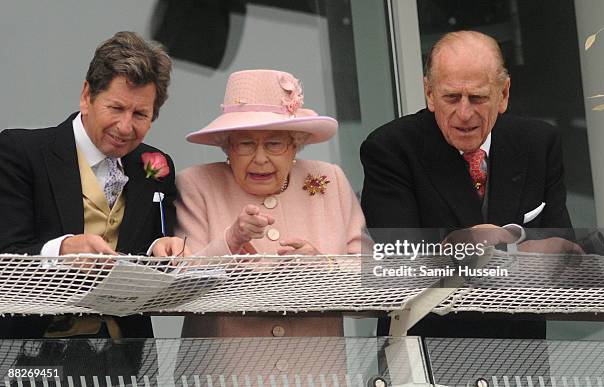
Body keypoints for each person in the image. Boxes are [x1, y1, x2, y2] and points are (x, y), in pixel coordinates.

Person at [360, 30, 575, 339]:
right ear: (430, 94)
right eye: (451, 97)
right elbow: (403, 261)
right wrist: (512, 246)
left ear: (503, 95)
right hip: (427, 351)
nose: (464, 113)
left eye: (477, 97)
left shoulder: (539, 142)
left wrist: (494, 241)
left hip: (520, 353)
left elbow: (562, 252)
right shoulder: (391, 148)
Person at [0, 31, 187, 377]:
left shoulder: (156, 165)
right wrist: (64, 248)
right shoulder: (19, 152)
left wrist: (165, 248)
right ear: (87, 95)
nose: (125, 126)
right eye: (115, 108)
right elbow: (6, 254)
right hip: (31, 358)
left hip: (127, 361)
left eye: (140, 114)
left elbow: (157, 248)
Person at [176, 69, 367, 338]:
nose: (260, 158)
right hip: (226, 373)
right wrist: (230, 240)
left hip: (318, 371)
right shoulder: (198, 184)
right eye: (245, 144)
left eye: (275, 144)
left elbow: (373, 278)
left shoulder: (329, 179)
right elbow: (181, 287)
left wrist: (323, 267)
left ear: (295, 145)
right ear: (227, 147)